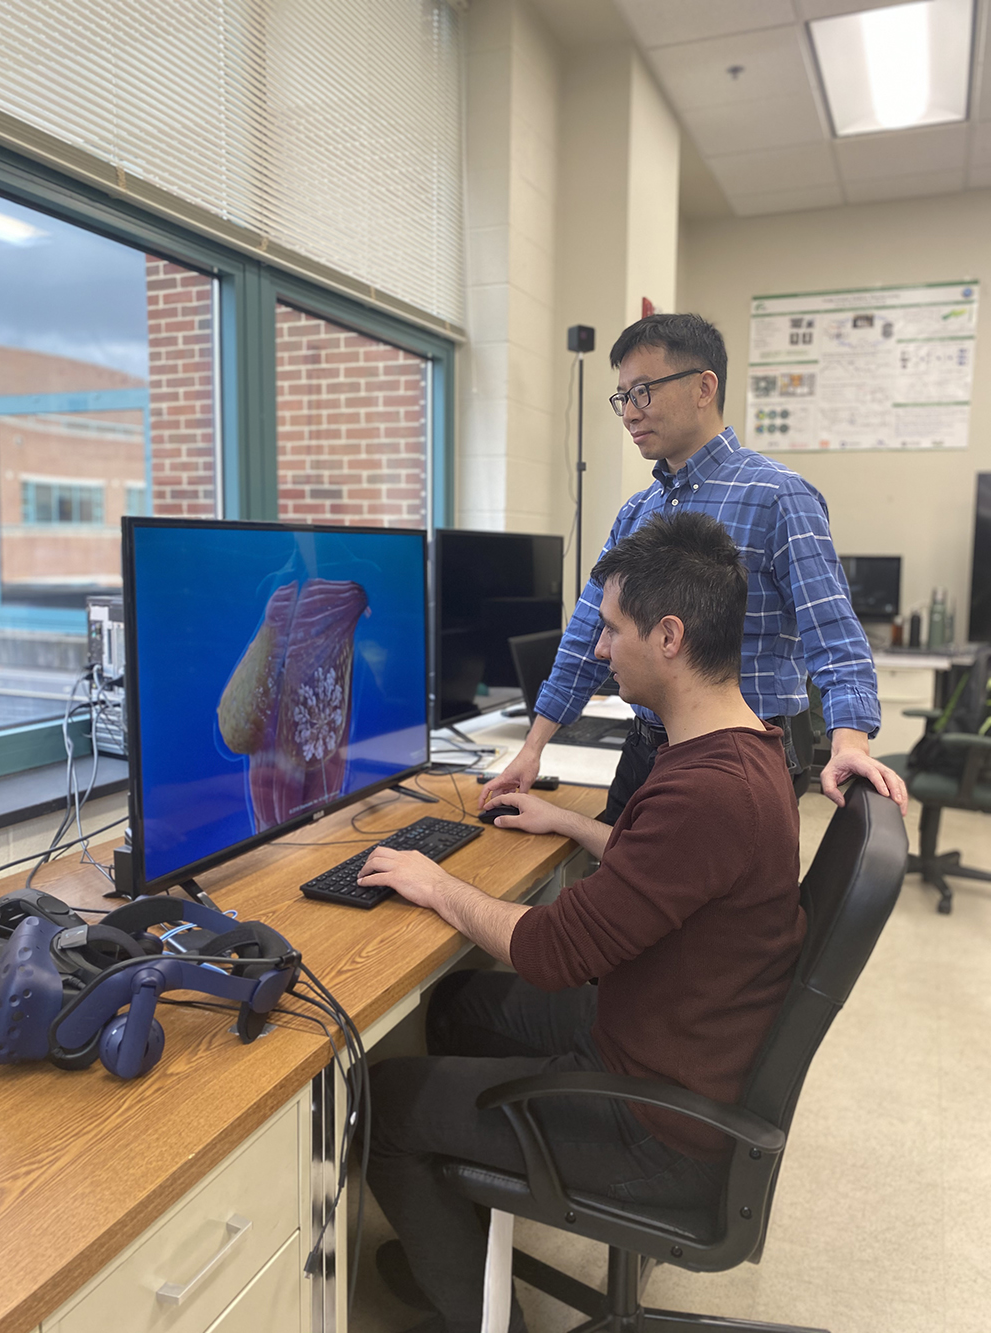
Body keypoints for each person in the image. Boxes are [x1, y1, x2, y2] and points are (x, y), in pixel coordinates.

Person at [359, 512, 808, 1333]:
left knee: (385, 1103)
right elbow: (674, 871)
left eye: (611, 629)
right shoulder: (741, 751)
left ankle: (491, 1320)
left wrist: (433, 882)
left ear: (668, 636)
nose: (599, 650)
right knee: (457, 1005)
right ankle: (459, 1243)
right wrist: (571, 825)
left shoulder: (707, 790)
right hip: (668, 1040)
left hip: (658, 1122)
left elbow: (552, 950)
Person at [480, 313, 908, 824]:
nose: (629, 414)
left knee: (700, 900)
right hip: (648, 745)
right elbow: (588, 635)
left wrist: (850, 741)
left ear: (704, 388)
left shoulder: (777, 496)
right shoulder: (637, 512)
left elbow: (833, 633)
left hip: (745, 752)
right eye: (622, 398)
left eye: (643, 392)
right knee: (614, 883)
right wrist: (533, 749)